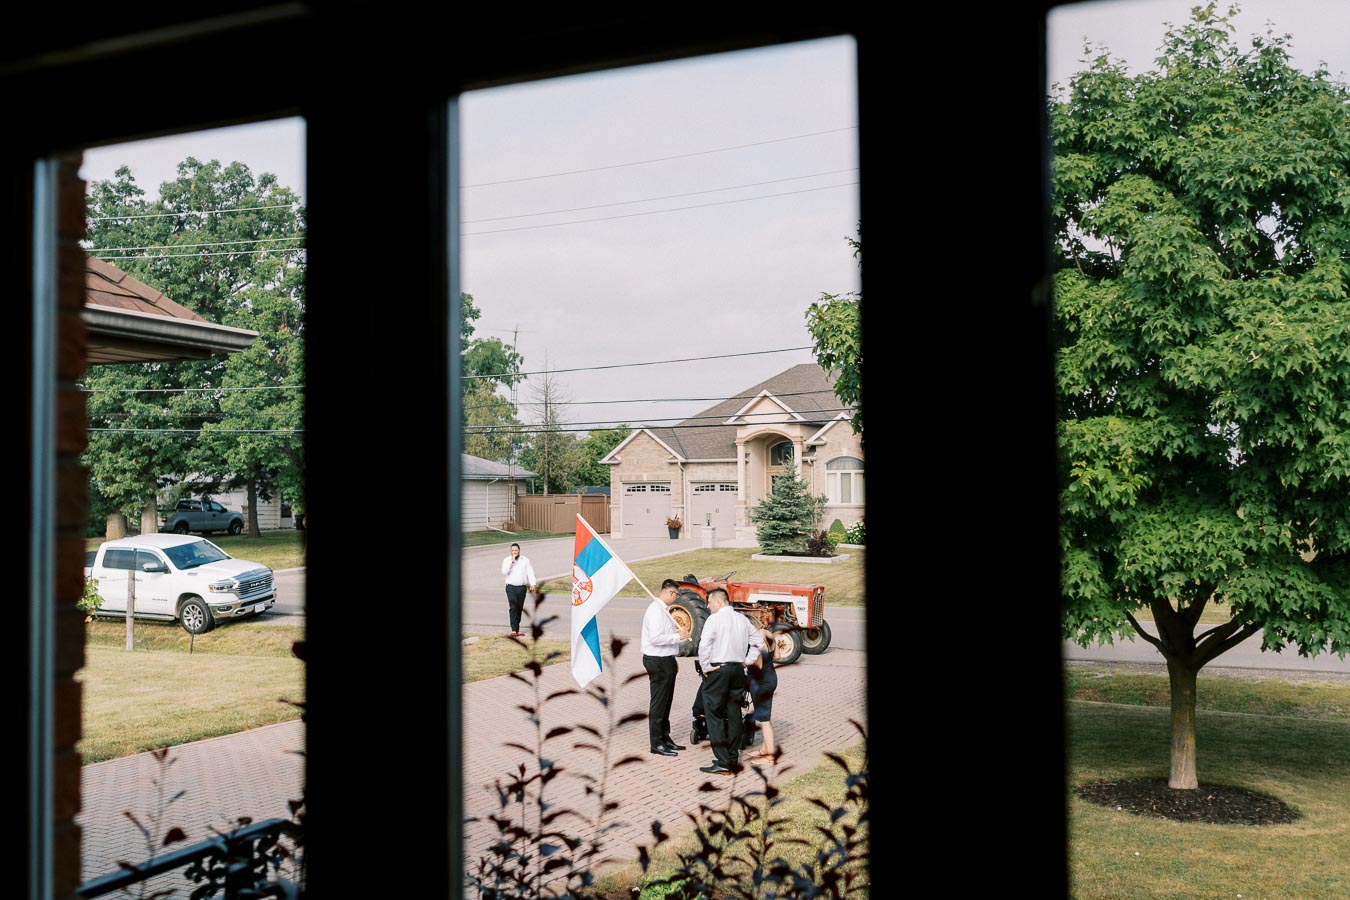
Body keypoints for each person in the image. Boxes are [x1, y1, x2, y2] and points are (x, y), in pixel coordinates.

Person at [695, 587, 766, 775]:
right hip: (737, 670)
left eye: (709, 602)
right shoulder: (742, 619)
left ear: (719, 602)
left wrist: (705, 667)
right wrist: (747, 661)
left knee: (713, 714)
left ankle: (723, 761)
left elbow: (704, 645)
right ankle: (732, 758)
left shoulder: (714, 619)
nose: (708, 606)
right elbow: (759, 642)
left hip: (719, 669)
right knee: (734, 714)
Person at [642, 579, 691, 756]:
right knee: (659, 702)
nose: (677, 598)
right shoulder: (656, 611)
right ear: (670, 592)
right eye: (676, 594)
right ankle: (656, 743)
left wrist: (673, 655)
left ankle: (664, 736)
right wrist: (677, 637)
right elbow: (655, 638)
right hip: (657, 660)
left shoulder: (664, 609)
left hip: (666, 659)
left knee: (666, 701)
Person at [742, 625, 778, 763]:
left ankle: (770, 757)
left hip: (760, 683)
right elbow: (777, 655)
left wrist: (743, 664)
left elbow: (758, 666)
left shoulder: (757, 640)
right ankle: (764, 749)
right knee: (765, 716)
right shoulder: (769, 633)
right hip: (771, 677)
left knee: (764, 720)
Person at [500, 542, 536, 637]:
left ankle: (517, 629)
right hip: (511, 587)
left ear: (519, 550)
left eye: (516, 550)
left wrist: (533, 584)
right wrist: (512, 562)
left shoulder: (525, 560)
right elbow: (504, 572)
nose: (514, 552)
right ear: (510, 551)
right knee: (513, 607)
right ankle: (513, 630)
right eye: (513, 550)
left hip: (522, 587)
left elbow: (530, 572)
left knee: (519, 608)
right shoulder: (507, 560)